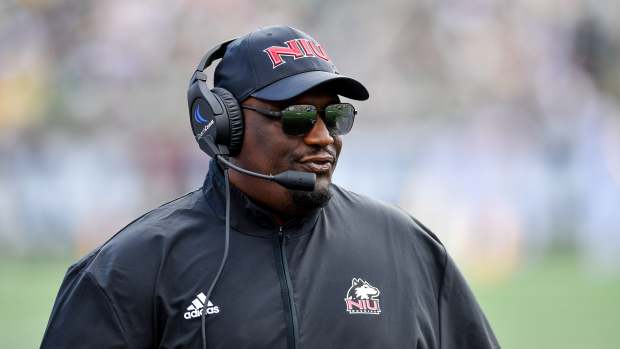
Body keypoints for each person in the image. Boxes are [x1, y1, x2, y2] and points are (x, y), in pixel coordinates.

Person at [40, 25, 499, 349]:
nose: (323, 136)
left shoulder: (408, 249)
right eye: (297, 117)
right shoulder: (128, 271)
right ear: (225, 126)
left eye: (335, 116)